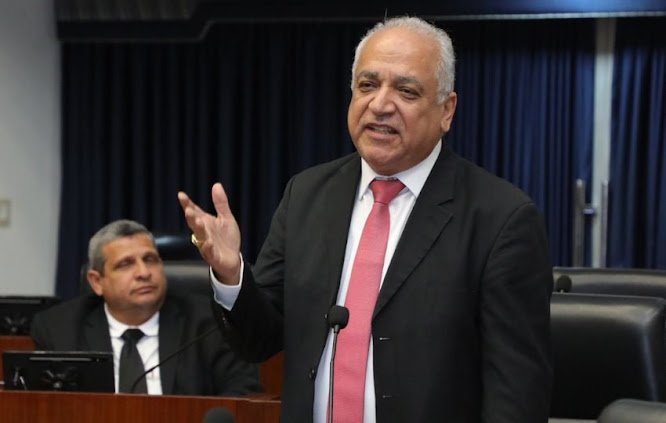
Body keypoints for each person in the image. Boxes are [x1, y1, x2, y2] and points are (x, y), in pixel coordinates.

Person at [178, 16, 553, 422]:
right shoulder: (307, 194)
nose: (380, 105)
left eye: (406, 91)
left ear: (446, 110)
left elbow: (516, 393)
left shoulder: (501, 218)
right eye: (367, 85)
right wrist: (232, 274)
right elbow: (260, 340)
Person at [31, 219, 261, 396]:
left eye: (150, 259)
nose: (143, 273)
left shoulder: (209, 323)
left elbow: (243, 394)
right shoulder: (59, 329)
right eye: (126, 264)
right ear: (97, 282)